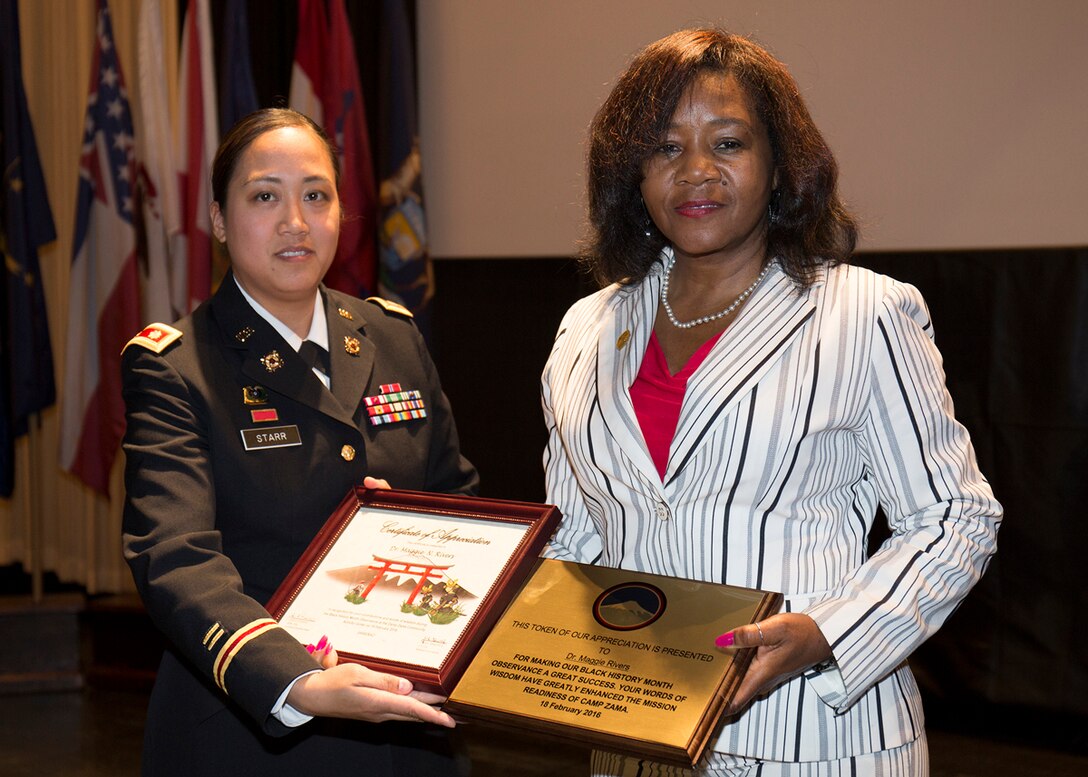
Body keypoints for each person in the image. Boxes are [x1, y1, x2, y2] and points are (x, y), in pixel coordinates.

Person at [542, 28, 1001, 776]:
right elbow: (576, 539)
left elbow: (955, 518)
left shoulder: (864, 314)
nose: (696, 172)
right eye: (664, 148)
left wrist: (829, 631)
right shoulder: (586, 328)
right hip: (633, 733)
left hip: (812, 734)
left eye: (728, 143)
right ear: (632, 174)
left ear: (781, 166)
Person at [121, 108, 478, 775]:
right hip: (252, 730)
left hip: (407, 729)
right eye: (265, 196)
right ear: (220, 221)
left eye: (316, 195)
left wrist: (413, 529)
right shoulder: (176, 366)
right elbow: (175, 556)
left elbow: (458, 500)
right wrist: (295, 680)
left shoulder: (393, 335)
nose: (296, 220)